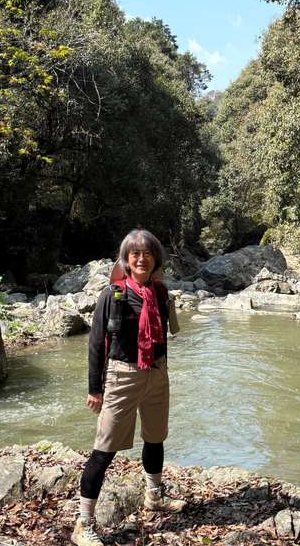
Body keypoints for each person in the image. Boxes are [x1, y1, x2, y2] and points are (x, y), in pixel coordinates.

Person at [71, 229, 186, 546]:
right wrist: (95, 389)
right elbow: (96, 344)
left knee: (155, 438)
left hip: (156, 373)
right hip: (121, 376)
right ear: (126, 260)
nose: (141, 259)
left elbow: (166, 337)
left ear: (156, 260)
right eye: (135, 254)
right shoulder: (113, 295)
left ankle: (154, 496)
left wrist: (162, 371)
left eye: (147, 253)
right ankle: (84, 524)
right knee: (104, 451)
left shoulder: (160, 292)